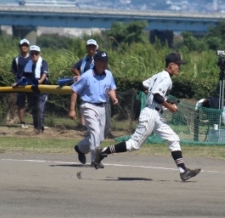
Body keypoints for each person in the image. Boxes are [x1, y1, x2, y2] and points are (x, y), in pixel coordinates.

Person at [94, 53, 201, 182]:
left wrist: (158, 98)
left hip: (155, 115)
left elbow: (142, 85)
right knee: (134, 145)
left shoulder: (159, 75)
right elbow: (157, 96)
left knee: (173, 139)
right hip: (150, 114)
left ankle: (183, 171)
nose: (179, 67)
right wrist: (170, 106)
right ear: (171, 65)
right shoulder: (165, 78)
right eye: (178, 65)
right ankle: (103, 151)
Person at [69, 51, 117, 167]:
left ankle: (80, 148)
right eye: (102, 61)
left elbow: (111, 88)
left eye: (106, 61)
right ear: (95, 62)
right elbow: (75, 91)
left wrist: (114, 98)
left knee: (100, 137)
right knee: (95, 132)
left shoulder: (109, 74)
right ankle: (95, 160)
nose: (104, 64)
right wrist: (72, 110)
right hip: (88, 106)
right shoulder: (87, 76)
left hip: (102, 107)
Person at [21, 45, 49, 133]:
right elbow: (24, 76)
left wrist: (40, 81)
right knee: (34, 109)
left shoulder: (43, 63)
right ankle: (36, 127)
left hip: (42, 90)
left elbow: (44, 74)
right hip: (32, 90)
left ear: (39, 54)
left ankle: (40, 128)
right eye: (32, 53)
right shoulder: (28, 64)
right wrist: (20, 82)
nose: (34, 55)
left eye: (36, 53)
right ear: (30, 54)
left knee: (40, 109)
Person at [11, 38, 31, 129]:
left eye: (26, 45)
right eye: (23, 45)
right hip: (20, 84)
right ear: (20, 47)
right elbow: (14, 71)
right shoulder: (16, 59)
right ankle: (22, 122)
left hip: (30, 84)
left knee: (34, 103)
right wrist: (19, 78)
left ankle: (37, 122)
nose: (24, 47)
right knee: (21, 104)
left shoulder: (32, 58)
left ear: (28, 47)